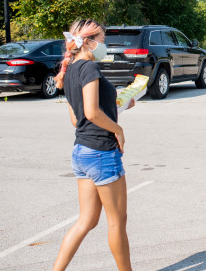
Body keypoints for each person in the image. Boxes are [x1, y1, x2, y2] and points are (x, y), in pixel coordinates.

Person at [53, 19, 134, 271]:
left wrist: (118, 104)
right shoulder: (89, 68)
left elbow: (76, 118)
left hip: (82, 152)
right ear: (88, 42)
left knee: (86, 221)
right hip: (101, 153)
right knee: (117, 222)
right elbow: (90, 112)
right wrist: (118, 130)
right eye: (102, 38)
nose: (105, 43)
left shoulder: (69, 70)